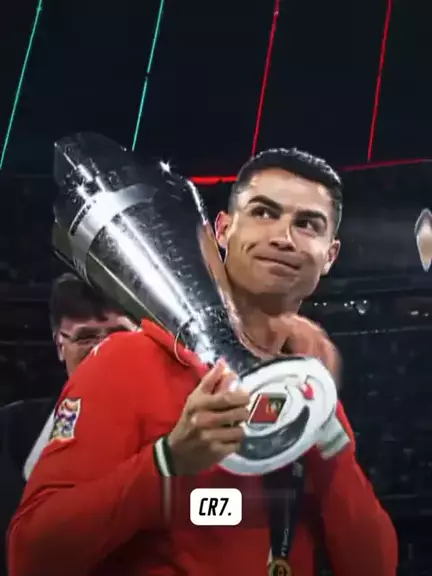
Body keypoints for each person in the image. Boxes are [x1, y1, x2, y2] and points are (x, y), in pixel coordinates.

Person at [7, 149, 397, 576]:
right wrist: (166, 463)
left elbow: (375, 567)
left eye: (307, 224)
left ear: (330, 255)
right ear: (223, 231)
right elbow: (30, 556)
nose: (284, 237)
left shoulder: (306, 388)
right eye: (264, 212)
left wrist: (328, 446)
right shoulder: (128, 361)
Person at [0, 272, 135, 575]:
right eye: (86, 337)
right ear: (60, 346)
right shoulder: (10, 432)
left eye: (119, 335)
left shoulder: (184, 430)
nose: (104, 350)